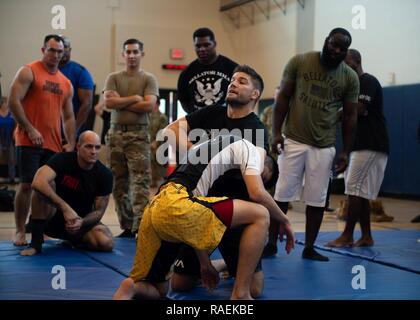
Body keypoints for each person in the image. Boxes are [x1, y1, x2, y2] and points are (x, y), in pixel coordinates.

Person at [113, 135, 295, 300]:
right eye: (263, 175)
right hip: (177, 203)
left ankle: (132, 288)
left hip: (156, 208)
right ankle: (241, 293)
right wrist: (284, 220)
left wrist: (205, 263)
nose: (257, 177)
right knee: (261, 214)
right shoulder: (252, 150)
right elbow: (257, 193)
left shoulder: (211, 148)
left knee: (159, 290)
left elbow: (192, 224)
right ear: (266, 163)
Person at [166, 65, 271, 296]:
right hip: (203, 207)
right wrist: (198, 152)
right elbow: (172, 130)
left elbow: (260, 173)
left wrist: (264, 167)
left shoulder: (257, 129)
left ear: (255, 94)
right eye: (232, 79)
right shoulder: (212, 113)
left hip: (235, 213)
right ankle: (216, 263)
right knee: (179, 284)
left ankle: (225, 264)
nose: (233, 83)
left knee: (255, 289)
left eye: (242, 81)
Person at [269, 28, 359, 261]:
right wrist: (276, 133)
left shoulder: (349, 77)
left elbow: (350, 116)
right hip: (294, 139)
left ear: (346, 50)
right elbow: (283, 99)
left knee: (317, 199)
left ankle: (309, 247)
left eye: (342, 48)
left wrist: (346, 151)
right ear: (326, 41)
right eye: (333, 44)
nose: (336, 50)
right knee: (281, 195)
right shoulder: (300, 61)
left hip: (324, 145)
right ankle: (269, 244)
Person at [9, 34, 76, 246]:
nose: (55, 55)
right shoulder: (29, 71)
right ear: (43, 49)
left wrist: (71, 142)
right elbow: (13, 101)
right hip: (28, 140)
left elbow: (68, 116)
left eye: (59, 51)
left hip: (53, 143)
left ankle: (42, 229)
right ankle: (19, 230)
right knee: (27, 185)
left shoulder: (65, 83)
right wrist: (30, 129)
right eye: (51, 50)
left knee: (48, 188)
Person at [326, 49, 390, 248]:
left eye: (345, 63)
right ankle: (366, 236)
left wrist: (331, 114)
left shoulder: (368, 81)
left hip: (371, 144)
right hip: (360, 146)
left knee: (353, 189)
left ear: (355, 61)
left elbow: (359, 109)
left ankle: (347, 235)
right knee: (359, 192)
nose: (342, 68)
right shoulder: (351, 86)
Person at [20, 131, 113, 256]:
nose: (94, 151)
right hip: (52, 218)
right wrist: (65, 208)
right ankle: (36, 244)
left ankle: (73, 241)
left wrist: (82, 222)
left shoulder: (104, 174)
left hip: (78, 223)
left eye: (97, 147)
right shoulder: (62, 159)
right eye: (89, 146)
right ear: (78, 147)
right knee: (44, 187)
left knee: (106, 243)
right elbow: (37, 182)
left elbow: (99, 211)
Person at [104, 38, 159, 238]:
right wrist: (135, 98)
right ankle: (127, 226)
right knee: (118, 183)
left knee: (140, 183)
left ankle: (141, 227)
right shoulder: (113, 77)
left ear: (142, 54)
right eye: (128, 52)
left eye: (136, 52)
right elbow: (108, 103)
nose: (132, 55)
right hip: (116, 134)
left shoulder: (149, 79)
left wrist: (121, 102)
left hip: (139, 134)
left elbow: (148, 106)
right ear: (123, 55)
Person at [177, 27, 238, 114]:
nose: (202, 49)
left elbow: (240, 96)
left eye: (206, 45)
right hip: (198, 123)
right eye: (198, 46)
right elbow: (184, 101)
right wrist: (195, 117)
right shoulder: (186, 73)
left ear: (214, 44)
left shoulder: (232, 68)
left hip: (227, 122)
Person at [59, 36, 94, 136]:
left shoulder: (80, 72)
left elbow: (87, 104)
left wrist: (73, 130)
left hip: (68, 131)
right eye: (59, 47)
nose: (62, 50)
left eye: (65, 46)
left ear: (69, 49)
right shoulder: (45, 71)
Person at [149, 99, 168, 187]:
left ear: (157, 104)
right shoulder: (149, 116)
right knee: (151, 161)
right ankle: (153, 180)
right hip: (148, 142)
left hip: (159, 143)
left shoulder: (162, 117)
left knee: (158, 162)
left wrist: (156, 143)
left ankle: (162, 179)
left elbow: (162, 132)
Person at [0, 97, 16, 183]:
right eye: (5, 103)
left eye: (7, 103)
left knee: (11, 159)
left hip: (9, 137)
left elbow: (16, 125)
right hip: (0, 138)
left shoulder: (11, 114)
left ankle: (12, 178)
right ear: (1, 104)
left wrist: (14, 132)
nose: (6, 105)